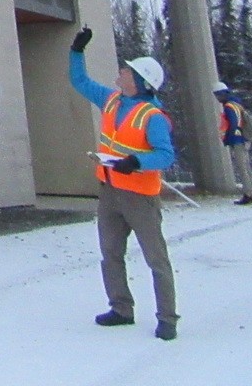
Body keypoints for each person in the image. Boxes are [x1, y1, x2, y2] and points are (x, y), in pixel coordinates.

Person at [69, 26, 179, 341]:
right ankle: (121, 309)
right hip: (110, 192)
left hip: (140, 197)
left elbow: (165, 155)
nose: (121, 71)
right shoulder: (112, 100)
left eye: (128, 71)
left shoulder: (152, 116)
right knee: (111, 253)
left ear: (140, 82)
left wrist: (136, 162)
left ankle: (167, 319)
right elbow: (79, 82)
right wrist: (76, 51)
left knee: (156, 259)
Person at [213, 82, 252, 205]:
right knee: (247, 168)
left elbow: (234, 123)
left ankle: (248, 194)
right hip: (244, 138)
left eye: (217, 95)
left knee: (243, 169)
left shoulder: (229, 106)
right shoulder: (237, 103)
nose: (217, 98)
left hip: (238, 139)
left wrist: (227, 138)